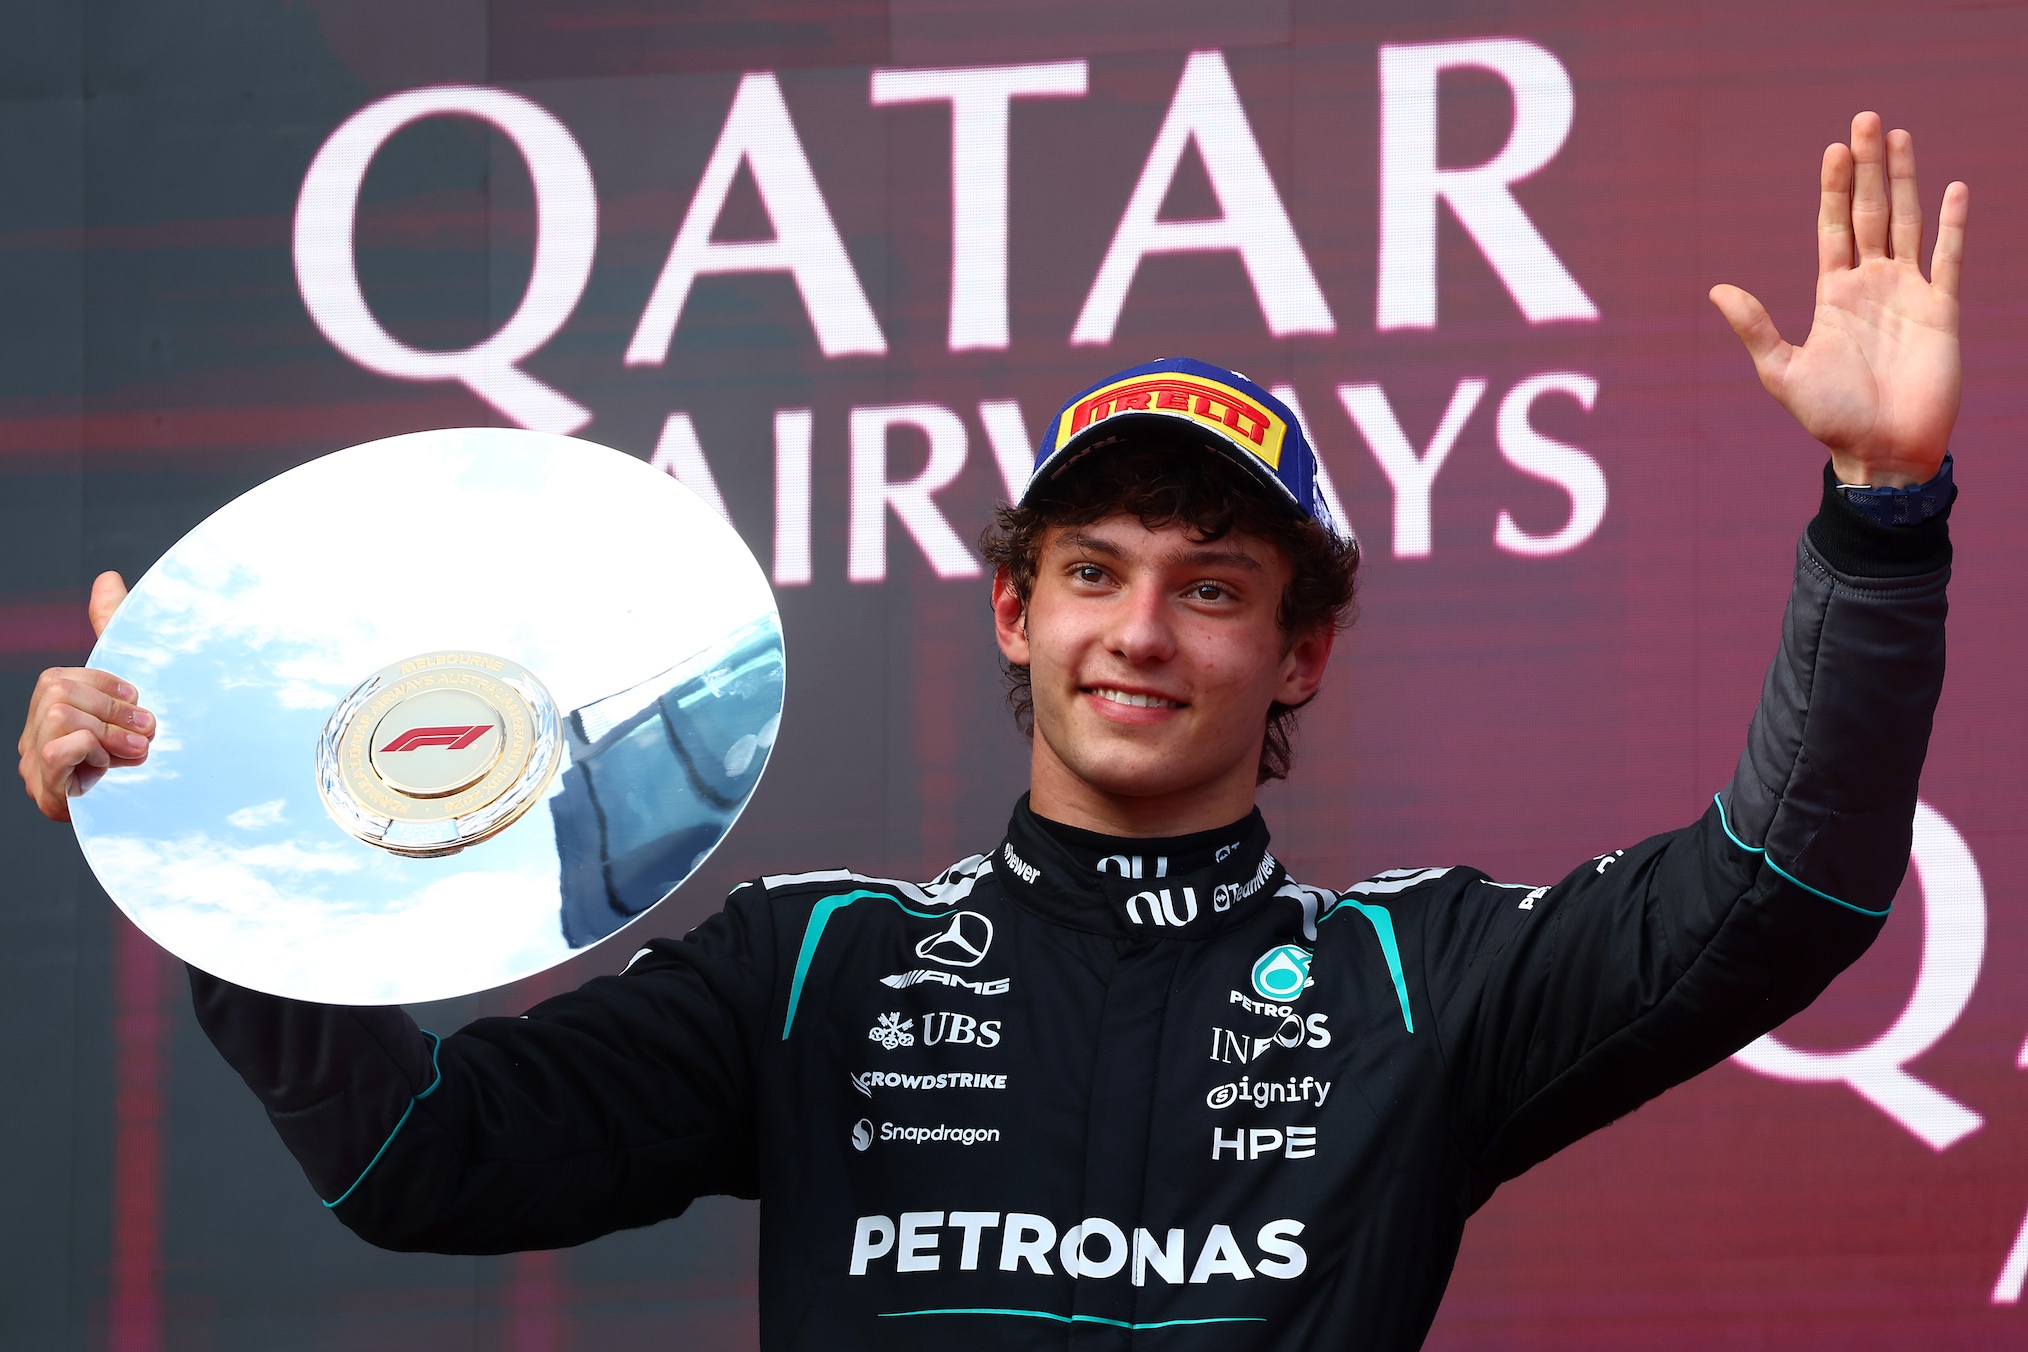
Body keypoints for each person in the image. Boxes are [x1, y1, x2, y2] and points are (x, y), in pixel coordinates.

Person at [18, 112, 1967, 1350]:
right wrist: (208, 827)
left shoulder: (1420, 974)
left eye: (1212, 585)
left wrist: (1880, 520)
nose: (1143, 627)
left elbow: (1783, 887)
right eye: (1098, 570)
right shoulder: (812, 966)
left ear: (1299, 652)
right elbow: (423, 1163)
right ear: (1016, 609)